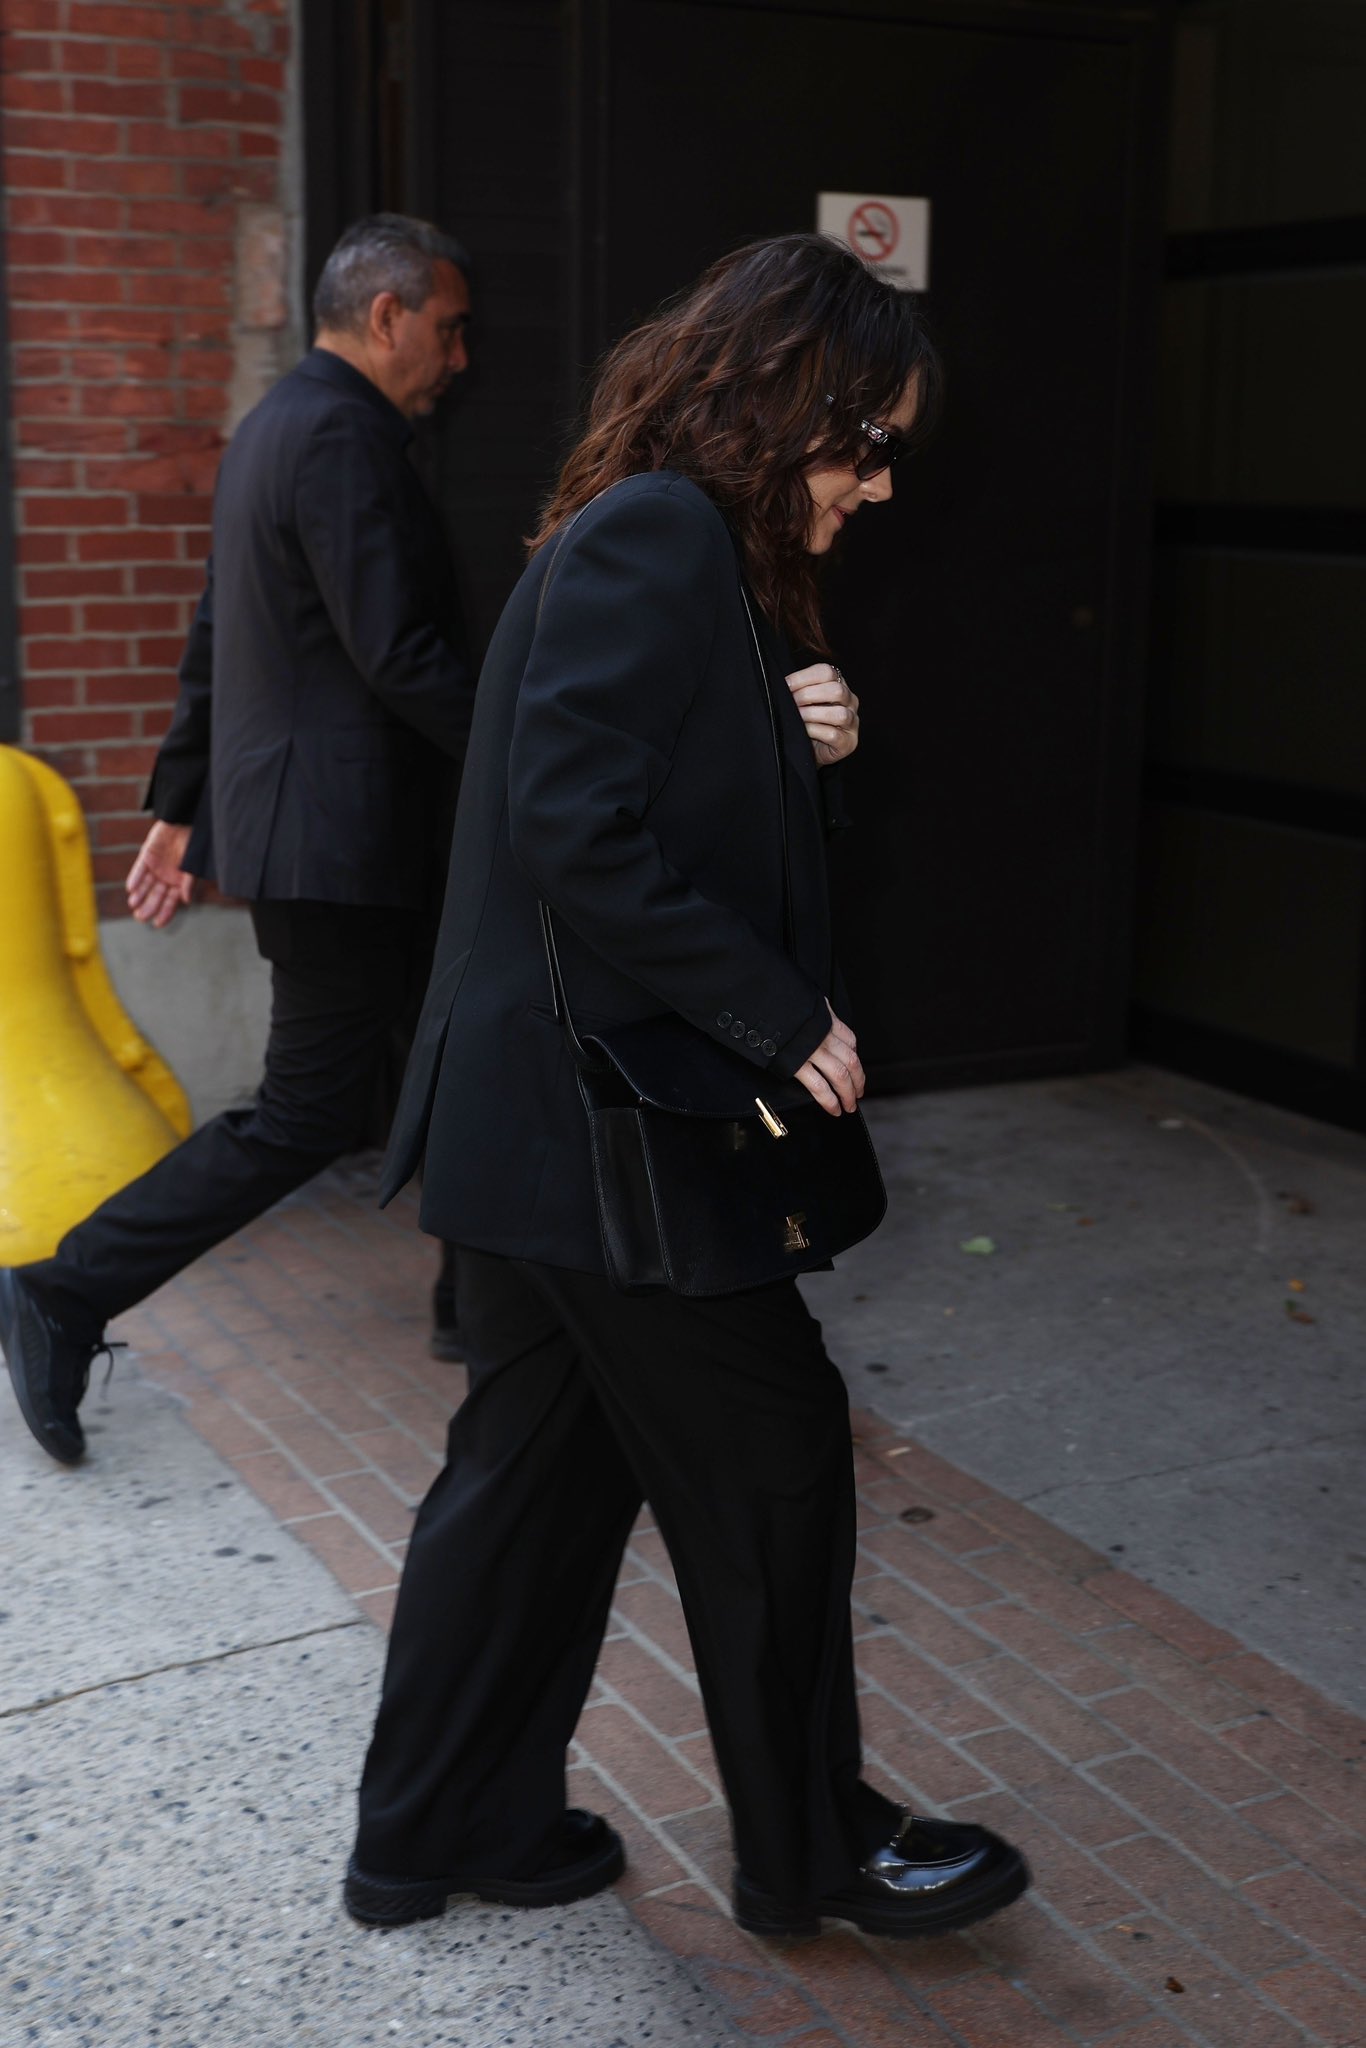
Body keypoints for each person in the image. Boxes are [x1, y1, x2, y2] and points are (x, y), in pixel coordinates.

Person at [343, 233, 1030, 1941]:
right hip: (605, 1133)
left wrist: (793, 747)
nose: (878, 483)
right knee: (777, 1455)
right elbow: (573, 829)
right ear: (780, 402)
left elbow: (648, 792)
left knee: (533, 1487)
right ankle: (816, 1850)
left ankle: (438, 1829)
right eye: (865, 441)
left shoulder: (669, 545)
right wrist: (775, 1017)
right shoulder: (658, 534)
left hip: (536, 1127)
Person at [0, 213, 476, 1467]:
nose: (459, 357)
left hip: (323, 834)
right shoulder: (342, 434)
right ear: (387, 315)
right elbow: (398, 652)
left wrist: (178, 800)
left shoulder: (275, 425)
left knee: (460, 1049)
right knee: (309, 1110)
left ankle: (478, 1296)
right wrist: (534, 754)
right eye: (448, 328)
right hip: (342, 841)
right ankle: (64, 1287)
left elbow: (219, 625)